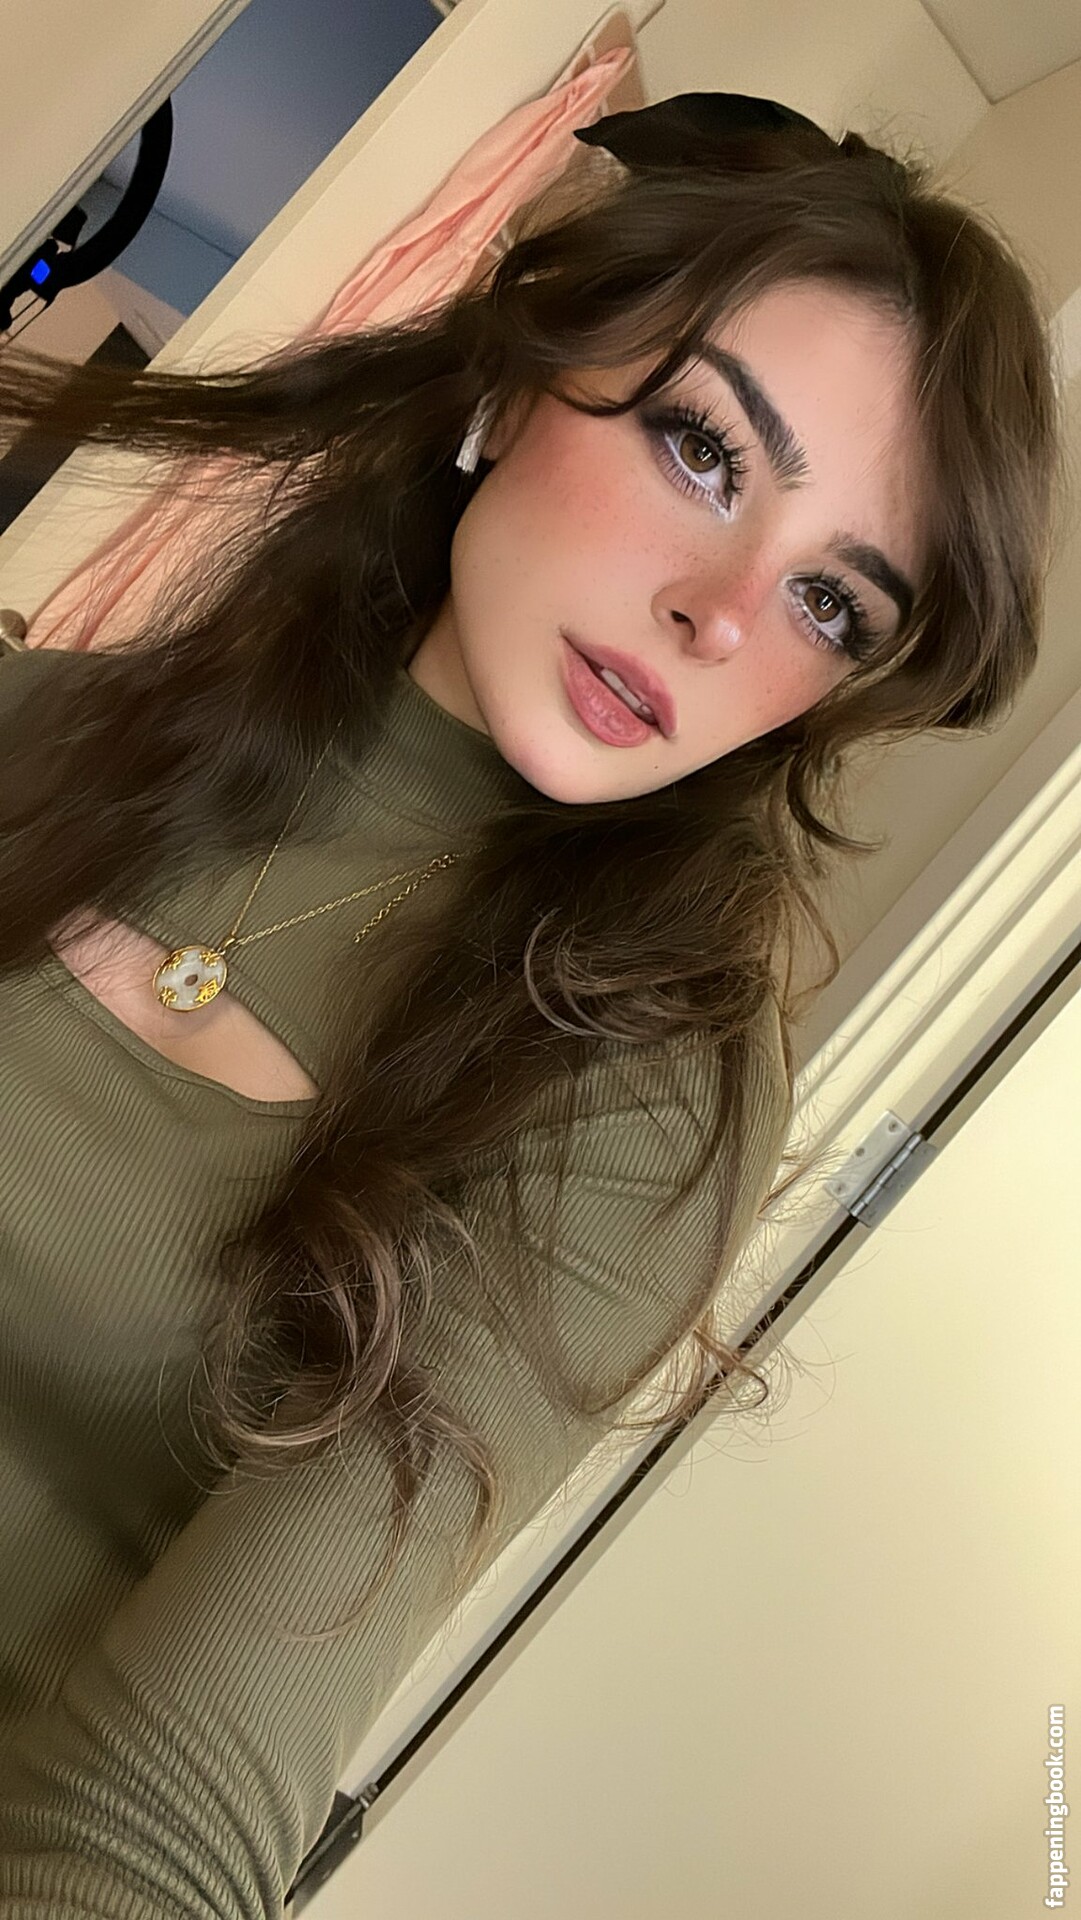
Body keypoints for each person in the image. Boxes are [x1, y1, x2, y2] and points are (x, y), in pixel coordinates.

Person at [0, 92, 1062, 1917]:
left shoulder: (638, 1093)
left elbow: (156, 1823)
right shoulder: (56, 725)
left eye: (831, 602)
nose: (723, 612)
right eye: (704, 451)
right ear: (511, 390)